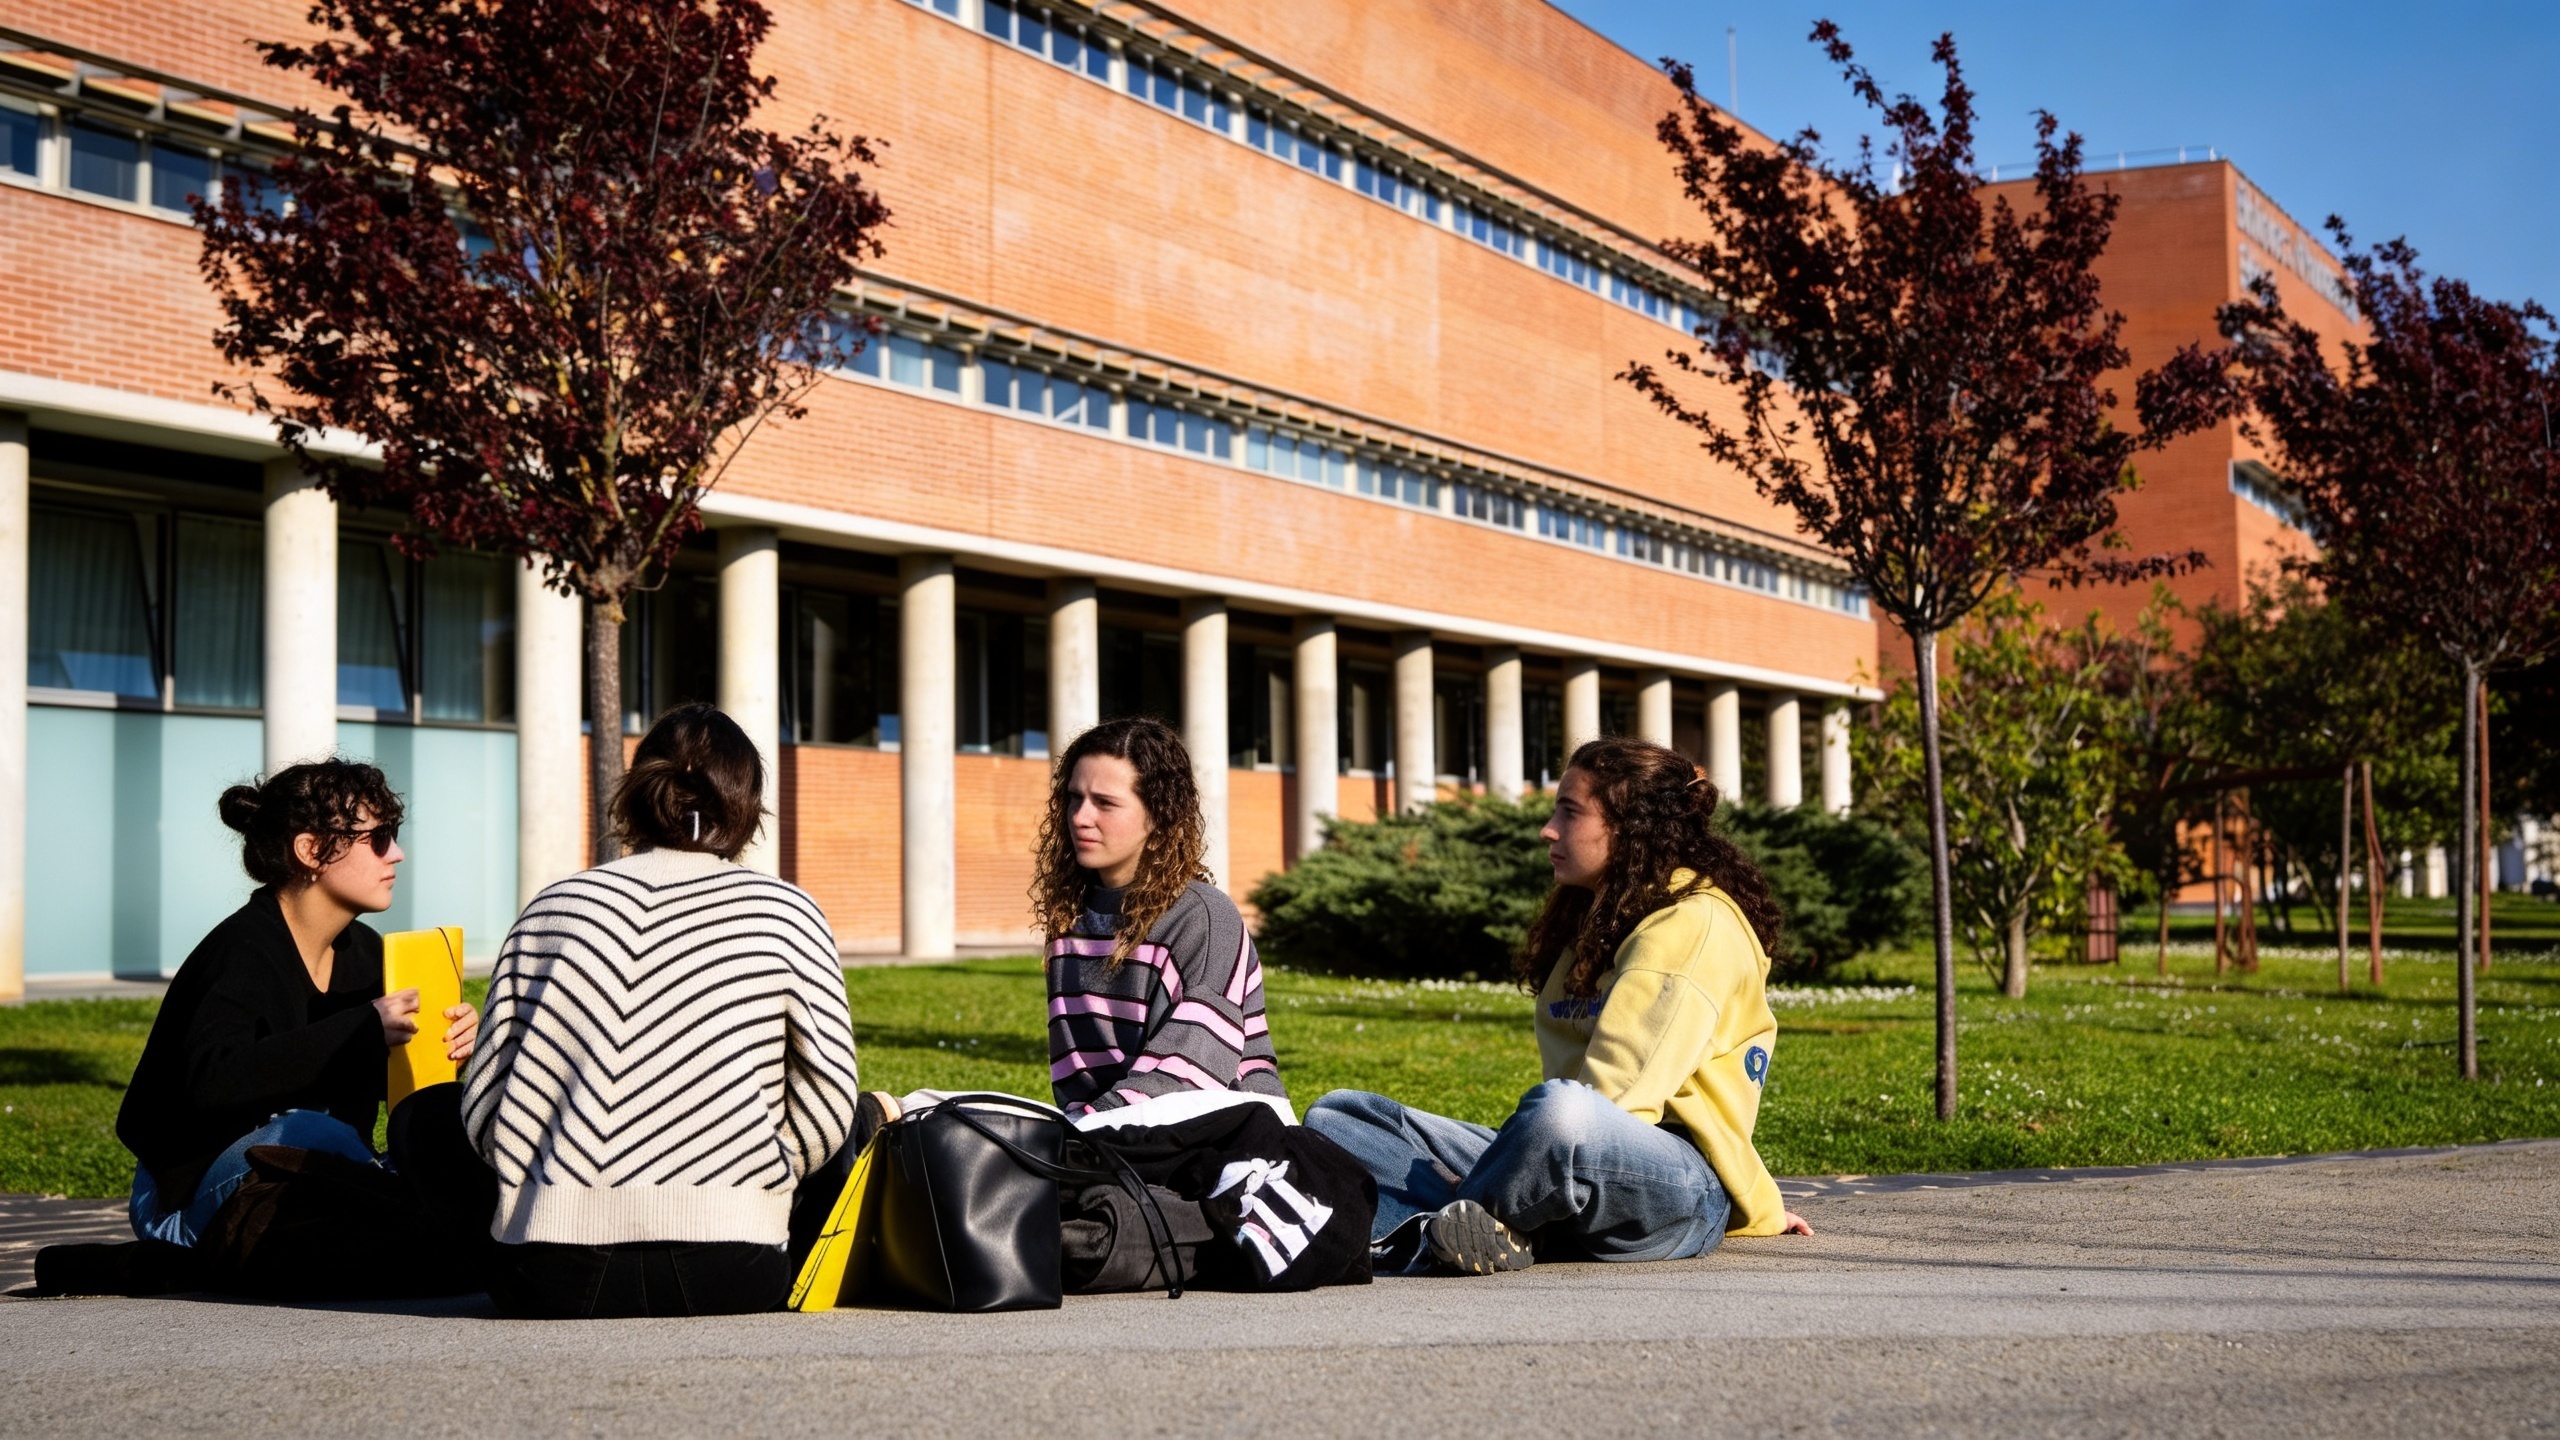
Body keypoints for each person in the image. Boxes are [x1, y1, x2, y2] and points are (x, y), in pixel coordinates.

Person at [1306, 737, 1814, 1275]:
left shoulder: (1690, 923)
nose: (1548, 829)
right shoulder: (1608, 912)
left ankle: (1446, 1224)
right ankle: (1480, 1225)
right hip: (1569, 1160)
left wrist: (1755, 1200)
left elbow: (1614, 1106)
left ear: (1631, 825)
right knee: (1342, 1117)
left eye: (1569, 812)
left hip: (1677, 1184)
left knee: (1560, 1113)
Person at [459, 703, 864, 1318]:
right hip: (733, 1265)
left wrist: (549, 1179)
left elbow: (484, 1098)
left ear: (638, 790)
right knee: (866, 1117)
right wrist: (759, 1176)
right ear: (746, 802)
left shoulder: (554, 906)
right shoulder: (786, 911)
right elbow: (830, 1099)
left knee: (418, 1118)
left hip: (547, 1270)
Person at [118, 760, 478, 1247]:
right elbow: (211, 1081)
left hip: (313, 1174)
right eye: (377, 838)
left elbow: (391, 1093)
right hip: (184, 1196)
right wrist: (356, 1029)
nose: (396, 854)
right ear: (311, 850)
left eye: (393, 834)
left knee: (455, 1130)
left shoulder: (369, 954)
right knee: (311, 1132)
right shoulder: (242, 951)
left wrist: (454, 1048)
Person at [1033, 716, 1286, 1116]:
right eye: (1074, 798)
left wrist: (1081, 1135)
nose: (1080, 817)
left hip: (1225, 1140)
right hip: (1108, 1136)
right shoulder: (1071, 923)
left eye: (1105, 803)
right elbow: (1076, 1079)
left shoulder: (1201, 918)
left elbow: (1186, 1075)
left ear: (1158, 815)